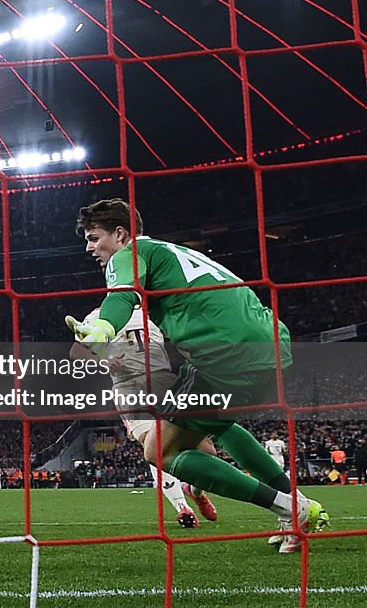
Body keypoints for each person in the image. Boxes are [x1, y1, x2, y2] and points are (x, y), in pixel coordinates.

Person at [67, 199, 328, 553]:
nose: (89, 247)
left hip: (226, 353)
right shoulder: (171, 252)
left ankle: (290, 508)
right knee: (222, 426)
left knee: (160, 451)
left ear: (120, 233)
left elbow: (121, 295)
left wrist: (101, 327)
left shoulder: (129, 254)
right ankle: (295, 504)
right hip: (269, 342)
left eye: (94, 238)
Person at [70, 305, 218, 527]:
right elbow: (76, 352)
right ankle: (182, 508)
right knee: (153, 443)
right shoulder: (98, 315)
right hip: (128, 386)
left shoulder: (156, 310)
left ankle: (195, 491)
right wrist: (103, 362)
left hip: (163, 382)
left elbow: (182, 339)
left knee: (207, 451)